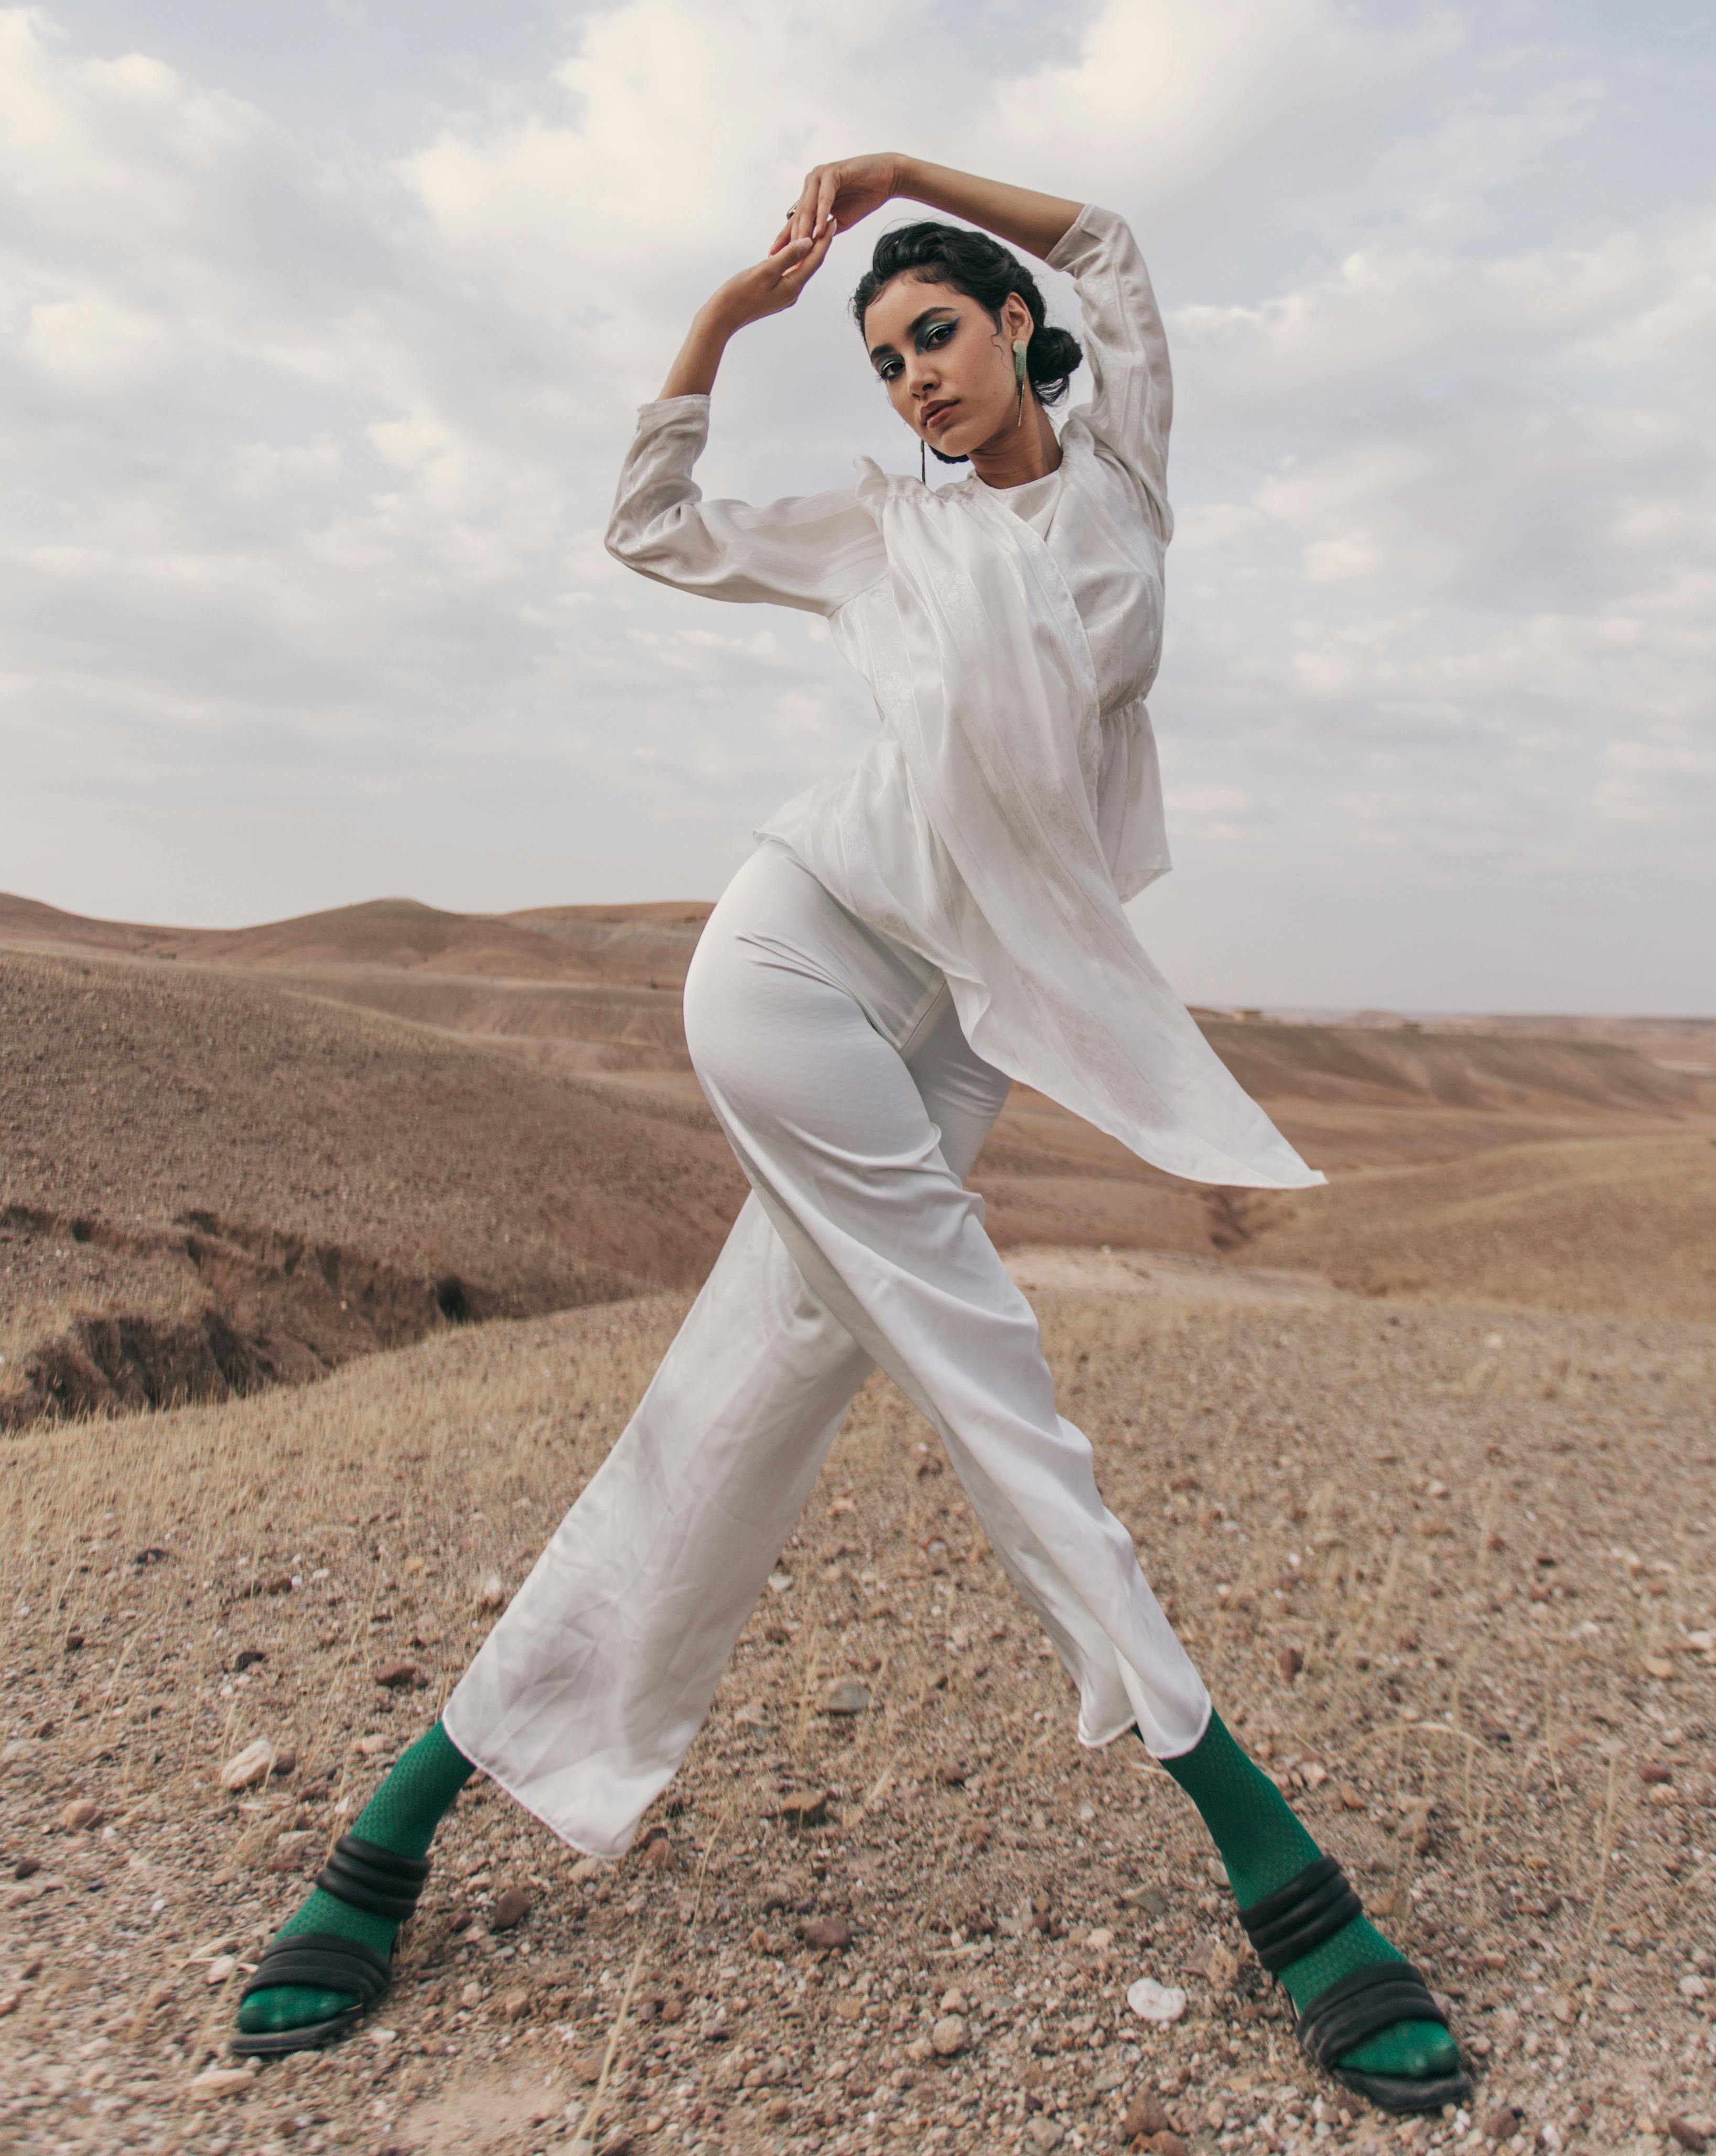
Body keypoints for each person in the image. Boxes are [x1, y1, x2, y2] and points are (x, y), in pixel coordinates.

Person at [232, 154, 1468, 2114]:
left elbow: (1122, 250)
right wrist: (731, 313)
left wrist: (896, 175)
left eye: (938, 336)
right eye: (885, 363)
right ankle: (1273, 1862)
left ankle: (404, 1814)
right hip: (802, 963)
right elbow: (648, 519)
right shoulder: (883, 540)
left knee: (733, 1410)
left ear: (1014, 331)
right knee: (996, 1387)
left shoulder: (1129, 481)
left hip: (969, 1028)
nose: (914, 382)